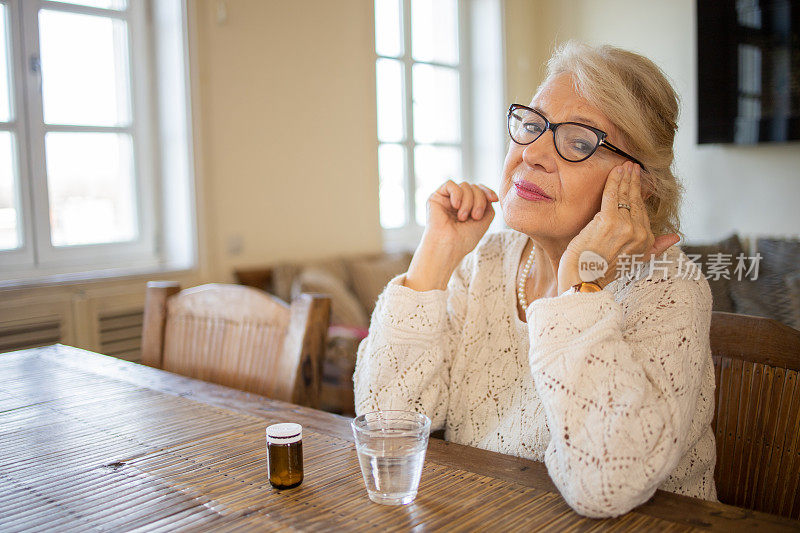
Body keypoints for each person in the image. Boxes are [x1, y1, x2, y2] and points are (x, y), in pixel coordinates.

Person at [353, 41, 717, 518]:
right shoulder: (487, 263)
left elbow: (604, 487)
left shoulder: (670, 288)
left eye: (579, 141)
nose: (533, 152)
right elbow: (385, 426)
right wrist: (435, 259)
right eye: (531, 125)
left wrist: (580, 288)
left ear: (640, 187)